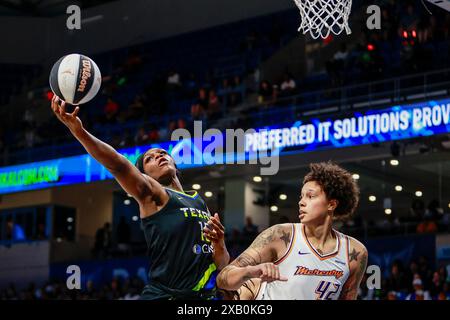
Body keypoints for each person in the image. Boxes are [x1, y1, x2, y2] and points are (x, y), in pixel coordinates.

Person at [50, 96, 229, 300]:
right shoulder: (154, 194)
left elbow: (222, 264)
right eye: (149, 159)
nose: (159, 156)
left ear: (174, 163)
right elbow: (118, 165)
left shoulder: (199, 201)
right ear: (143, 176)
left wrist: (220, 244)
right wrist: (79, 131)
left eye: (162, 153)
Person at [216, 162, 368, 300]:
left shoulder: (355, 252)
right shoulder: (280, 235)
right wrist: (250, 271)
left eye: (310, 196)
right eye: (301, 196)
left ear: (331, 204)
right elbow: (223, 279)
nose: (301, 202)